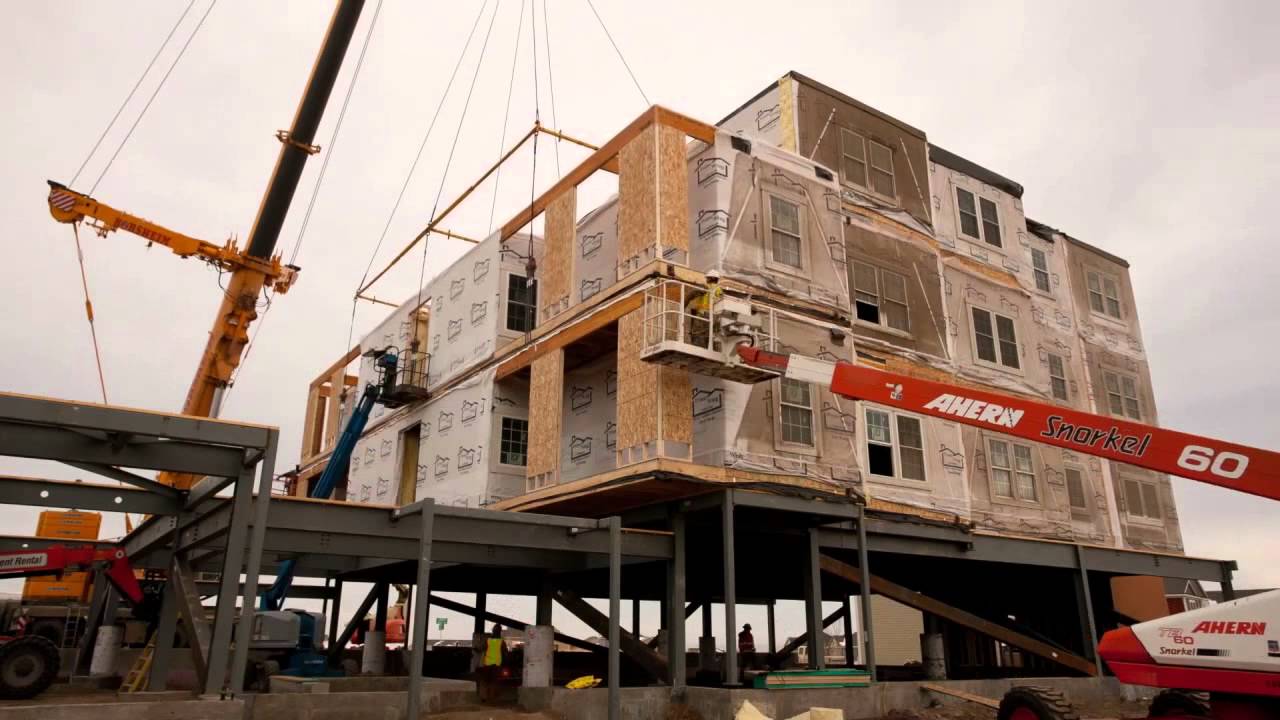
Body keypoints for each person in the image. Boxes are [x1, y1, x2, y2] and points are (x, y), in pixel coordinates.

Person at [684, 270, 723, 348]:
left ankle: (696, 349)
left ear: (711, 278)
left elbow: (691, 295)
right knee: (710, 337)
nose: (706, 279)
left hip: (703, 315)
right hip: (715, 317)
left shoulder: (705, 287)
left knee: (697, 334)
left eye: (707, 278)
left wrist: (683, 306)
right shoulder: (719, 290)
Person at [477, 623, 507, 703]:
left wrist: (476, 649)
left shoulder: (488, 640)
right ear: (500, 632)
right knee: (494, 681)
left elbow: (481, 648)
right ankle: (491, 698)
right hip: (497, 664)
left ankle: (483, 697)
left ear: (493, 631)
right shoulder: (502, 642)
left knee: (484, 680)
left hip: (487, 663)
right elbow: (505, 653)